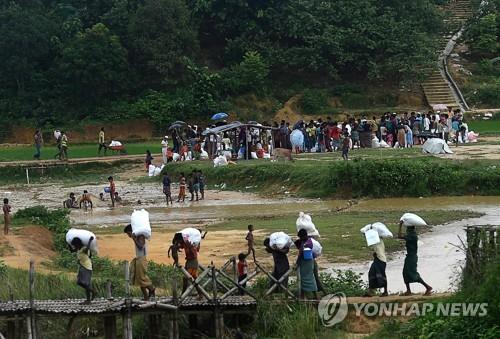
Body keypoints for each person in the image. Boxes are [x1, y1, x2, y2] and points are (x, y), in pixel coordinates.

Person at [398, 222, 433, 296]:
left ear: (410, 230)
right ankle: (408, 290)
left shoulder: (412, 236)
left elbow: (399, 236)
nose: (407, 231)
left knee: (413, 274)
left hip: (412, 257)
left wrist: (400, 225)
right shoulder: (412, 235)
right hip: (410, 257)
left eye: (407, 229)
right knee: (405, 273)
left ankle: (428, 287)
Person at [124, 224, 155, 300]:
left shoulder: (140, 236)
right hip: (138, 259)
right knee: (139, 279)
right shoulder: (137, 236)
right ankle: (146, 296)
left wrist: (134, 239)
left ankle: (152, 289)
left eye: (128, 233)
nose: (128, 235)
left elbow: (141, 246)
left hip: (141, 259)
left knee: (142, 278)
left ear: (131, 231)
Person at [71, 236, 96, 304]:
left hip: (87, 267)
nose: (74, 246)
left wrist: (90, 241)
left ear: (78, 244)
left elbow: (87, 249)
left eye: (74, 245)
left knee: (84, 283)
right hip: (82, 266)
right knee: (81, 283)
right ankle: (89, 298)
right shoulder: (78, 249)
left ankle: (92, 293)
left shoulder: (84, 248)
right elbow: (72, 250)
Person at [295, 229, 318, 300]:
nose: (300, 239)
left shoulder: (306, 243)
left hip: (306, 263)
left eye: (301, 237)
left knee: (306, 278)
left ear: (304, 236)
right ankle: (305, 295)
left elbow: (301, 253)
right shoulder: (308, 241)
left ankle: (310, 295)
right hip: (308, 262)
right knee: (307, 278)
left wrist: (297, 263)